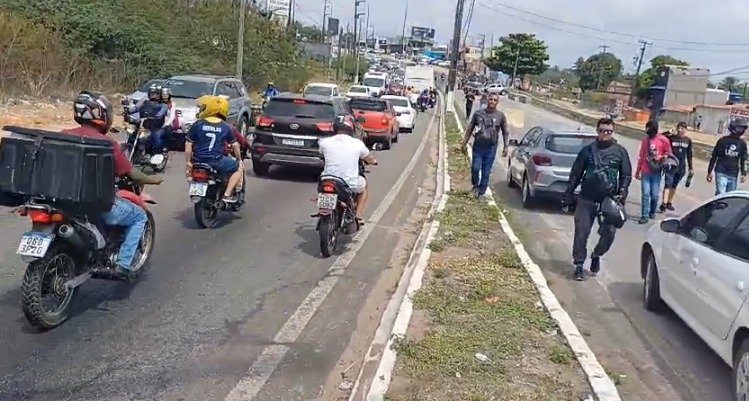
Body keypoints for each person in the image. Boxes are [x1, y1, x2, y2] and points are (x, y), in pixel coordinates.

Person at [63, 91, 162, 279]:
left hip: (62, 199)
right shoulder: (106, 143)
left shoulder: (63, 135)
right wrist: (154, 179)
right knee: (139, 216)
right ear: (101, 115)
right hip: (95, 202)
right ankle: (124, 264)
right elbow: (131, 174)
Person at [563, 118, 632, 281]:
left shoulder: (620, 151)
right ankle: (579, 265)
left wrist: (622, 193)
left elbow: (626, 175)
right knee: (581, 233)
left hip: (608, 201)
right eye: (602, 131)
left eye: (609, 131)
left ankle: (596, 255)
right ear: (597, 131)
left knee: (608, 234)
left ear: (612, 132)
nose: (605, 134)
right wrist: (568, 195)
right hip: (586, 199)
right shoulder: (587, 151)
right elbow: (576, 174)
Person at [318, 116, 378, 224]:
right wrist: (373, 161)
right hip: (348, 183)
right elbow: (368, 158)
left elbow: (321, 153)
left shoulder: (324, 142)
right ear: (351, 129)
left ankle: (324, 209)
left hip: (327, 179)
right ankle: (358, 216)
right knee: (365, 188)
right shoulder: (357, 143)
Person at [185, 95, 244, 203]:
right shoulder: (225, 127)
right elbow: (235, 145)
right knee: (237, 168)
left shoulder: (198, 124)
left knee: (189, 173)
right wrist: (239, 158)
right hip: (216, 161)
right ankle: (227, 194)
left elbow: (188, 145)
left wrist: (188, 161)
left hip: (198, 161)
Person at [460, 92, 510, 198]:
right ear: (487, 100)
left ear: (497, 102)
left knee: (486, 172)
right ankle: (475, 186)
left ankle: (481, 193)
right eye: (490, 99)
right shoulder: (478, 113)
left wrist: (506, 146)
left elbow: (505, 131)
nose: (492, 102)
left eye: (495, 100)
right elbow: (470, 128)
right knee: (475, 168)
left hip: (491, 148)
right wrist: (464, 142)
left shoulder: (500, 116)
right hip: (478, 146)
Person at [635, 120, 671, 224]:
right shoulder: (645, 140)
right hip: (645, 171)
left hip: (656, 171)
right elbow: (641, 156)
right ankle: (644, 216)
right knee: (645, 194)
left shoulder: (663, 140)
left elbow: (668, 154)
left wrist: (660, 157)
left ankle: (651, 211)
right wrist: (637, 171)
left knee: (654, 195)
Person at [707, 118, 748, 195]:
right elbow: (714, 156)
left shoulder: (742, 144)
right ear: (733, 127)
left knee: (729, 196)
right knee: (721, 194)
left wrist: (743, 173)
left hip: (733, 174)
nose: (740, 130)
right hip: (721, 171)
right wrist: (709, 171)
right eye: (739, 128)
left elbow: (744, 159)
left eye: (742, 129)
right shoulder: (722, 141)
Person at [659, 122, 693, 212]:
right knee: (667, 184)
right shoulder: (671, 138)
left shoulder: (688, 140)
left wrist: (691, 168)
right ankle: (664, 203)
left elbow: (689, 155)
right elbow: (660, 137)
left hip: (681, 166)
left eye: (682, 128)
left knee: (674, 185)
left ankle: (669, 202)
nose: (680, 130)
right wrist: (668, 132)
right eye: (679, 128)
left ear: (685, 129)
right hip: (671, 164)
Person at [128, 85, 168, 155]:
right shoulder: (144, 102)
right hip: (143, 127)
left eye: (154, 93)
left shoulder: (163, 105)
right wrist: (127, 111)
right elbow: (135, 108)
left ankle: (157, 154)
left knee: (156, 136)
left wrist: (155, 117)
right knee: (132, 136)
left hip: (155, 127)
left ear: (159, 94)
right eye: (151, 93)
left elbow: (160, 114)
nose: (152, 95)